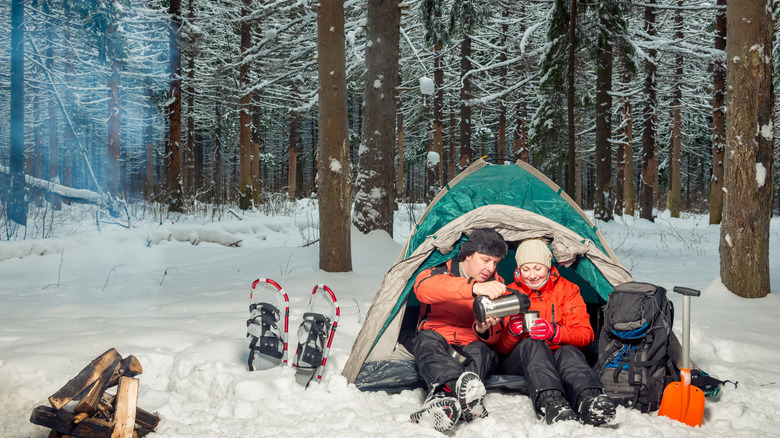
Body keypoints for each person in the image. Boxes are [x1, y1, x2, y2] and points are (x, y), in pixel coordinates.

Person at [495, 238, 617, 426]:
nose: (532, 275)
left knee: (568, 350)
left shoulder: (568, 290)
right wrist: (511, 333)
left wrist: (555, 332)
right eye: (525, 269)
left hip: (558, 354)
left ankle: (590, 399)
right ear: (518, 269)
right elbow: (499, 349)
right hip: (522, 359)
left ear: (548, 266)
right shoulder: (509, 293)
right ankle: (551, 403)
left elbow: (585, 335)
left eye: (538, 268)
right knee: (532, 343)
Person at [409, 228, 508, 432]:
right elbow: (423, 288)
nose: (490, 268)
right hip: (437, 335)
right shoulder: (439, 270)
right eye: (485, 259)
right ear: (468, 255)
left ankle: (446, 397)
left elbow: (497, 337)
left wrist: (483, 330)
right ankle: (459, 398)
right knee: (426, 341)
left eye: (495, 262)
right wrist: (473, 288)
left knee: (483, 352)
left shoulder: (497, 284)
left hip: (471, 340)